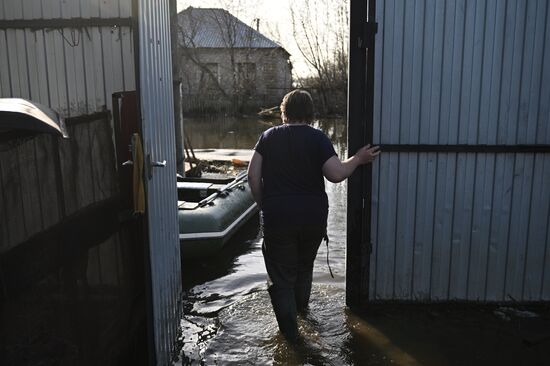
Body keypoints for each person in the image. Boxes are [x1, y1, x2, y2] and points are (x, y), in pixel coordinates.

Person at [247, 89, 380, 341]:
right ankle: (303, 313)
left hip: (278, 217)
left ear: (283, 113)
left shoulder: (267, 137)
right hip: (312, 218)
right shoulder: (318, 138)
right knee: (304, 267)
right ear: (310, 114)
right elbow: (336, 174)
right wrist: (358, 159)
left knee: (282, 278)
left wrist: (265, 204)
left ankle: (291, 337)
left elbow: (252, 175)